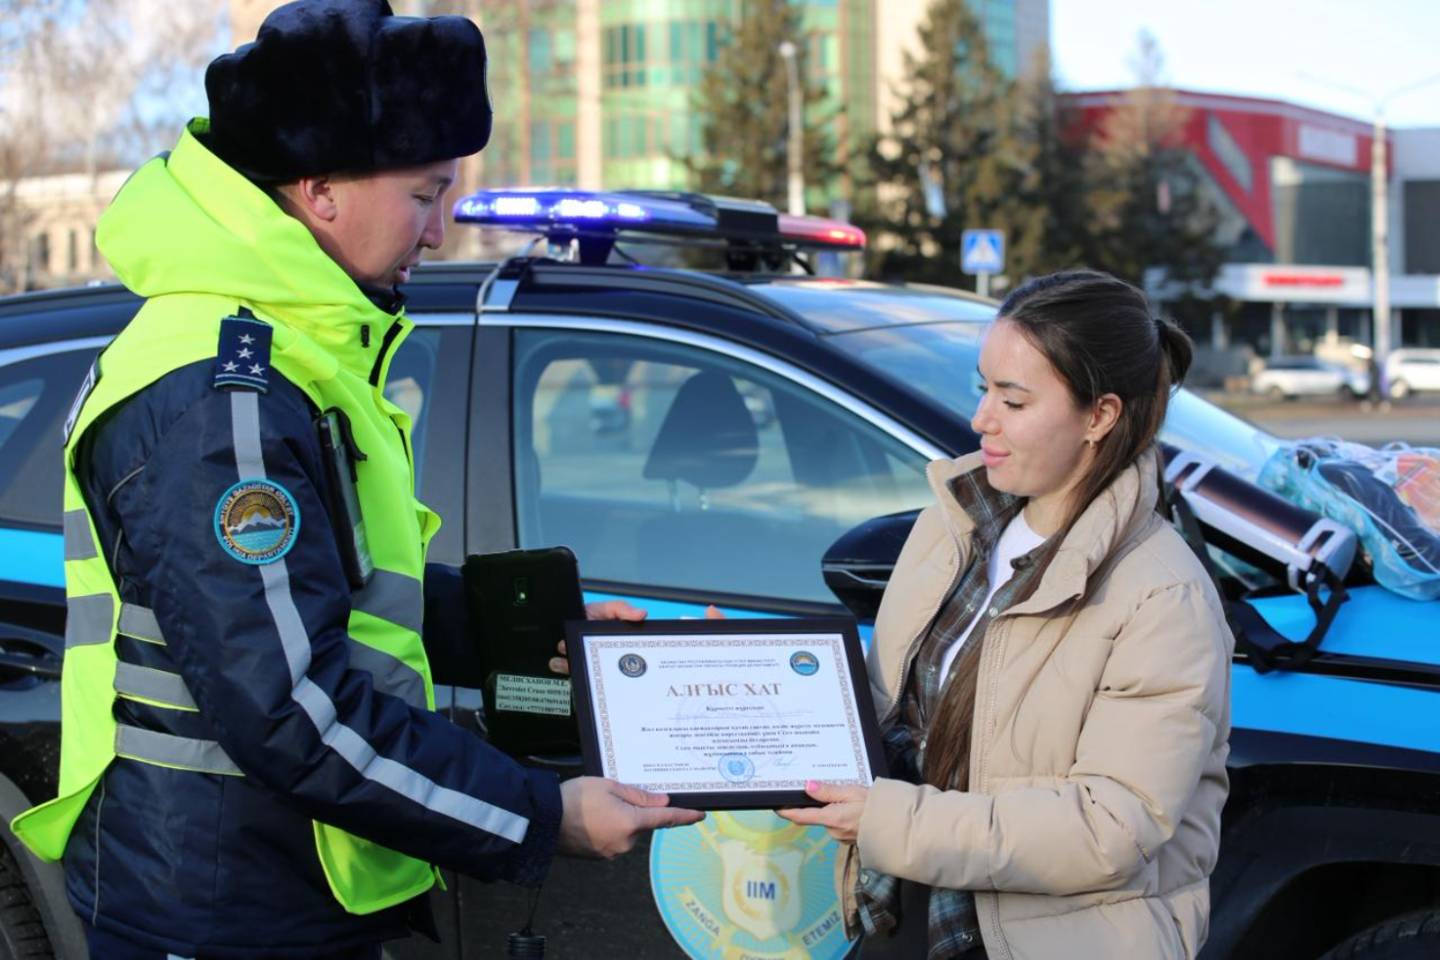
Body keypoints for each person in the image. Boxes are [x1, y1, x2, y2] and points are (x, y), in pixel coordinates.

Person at [9, 2, 701, 957]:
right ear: (321, 187)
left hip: (265, 883)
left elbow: (335, 590)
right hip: (227, 908)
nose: (442, 231)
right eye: (426, 195)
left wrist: (531, 633)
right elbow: (288, 705)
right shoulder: (227, 396)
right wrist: (543, 816)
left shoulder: (288, 351)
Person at [781, 271, 1233, 959]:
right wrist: (754, 678)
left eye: (1013, 400)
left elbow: (1107, 829)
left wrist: (894, 820)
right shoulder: (954, 526)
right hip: (906, 911)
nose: (980, 419)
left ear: (1099, 416)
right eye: (982, 389)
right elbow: (891, 720)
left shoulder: (1162, 596)